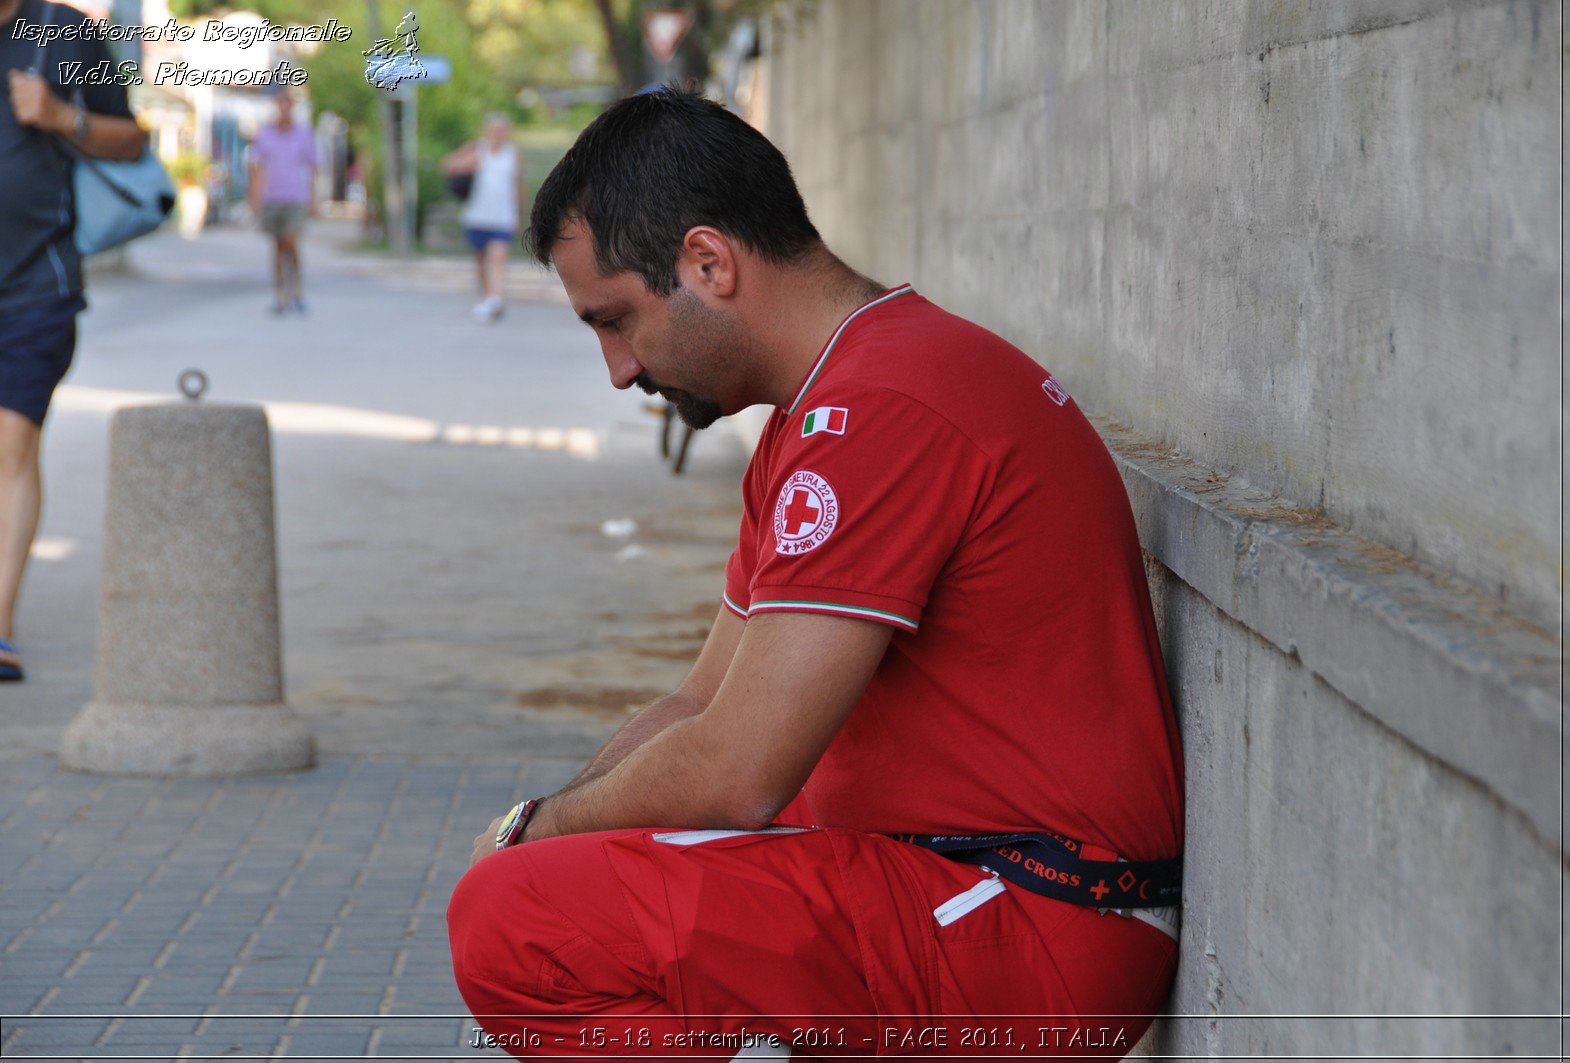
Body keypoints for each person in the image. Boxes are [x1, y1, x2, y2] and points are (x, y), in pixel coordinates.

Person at [448, 88, 1185, 1060]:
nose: (618, 371)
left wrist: (537, 836)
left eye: (616, 320)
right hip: (955, 884)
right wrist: (548, 824)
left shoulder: (879, 410)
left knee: (519, 921)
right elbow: (699, 704)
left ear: (708, 263)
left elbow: (736, 771)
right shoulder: (828, 407)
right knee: (554, 873)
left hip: (1035, 916)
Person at [0, 0, 145, 682]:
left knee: (12, 442)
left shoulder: (65, 32)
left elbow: (133, 139)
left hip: (38, 283)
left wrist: (62, 116)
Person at [440, 113, 522, 323]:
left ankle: (496, 299)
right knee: (480, 261)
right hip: (476, 217)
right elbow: (448, 166)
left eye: (502, 130)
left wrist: (518, 213)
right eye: (494, 130)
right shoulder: (477, 150)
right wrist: (466, 162)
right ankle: (487, 297)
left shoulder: (512, 155)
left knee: (497, 259)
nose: (498, 134)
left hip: (502, 218)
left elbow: (517, 186)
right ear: (487, 131)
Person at [248, 89, 317, 314]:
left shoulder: (303, 134)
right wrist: (255, 198)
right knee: (277, 247)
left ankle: (297, 290)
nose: (284, 108)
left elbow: (313, 167)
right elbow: (258, 168)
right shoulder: (266, 134)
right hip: (272, 197)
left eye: (288, 103)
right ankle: (279, 295)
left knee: (291, 241)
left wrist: (313, 198)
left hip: (295, 196)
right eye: (280, 103)